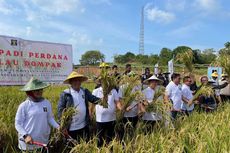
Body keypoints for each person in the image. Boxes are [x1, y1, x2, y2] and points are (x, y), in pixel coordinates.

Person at [15, 78, 59, 151]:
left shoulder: (46, 103)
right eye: (36, 90)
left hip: (43, 140)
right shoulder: (24, 105)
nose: (39, 91)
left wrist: (58, 127)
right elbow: (18, 124)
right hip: (28, 142)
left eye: (41, 89)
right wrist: (25, 136)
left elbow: (50, 118)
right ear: (30, 92)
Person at [57, 71, 100, 142]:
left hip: (84, 126)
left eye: (78, 80)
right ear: (70, 82)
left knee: (84, 145)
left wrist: (103, 99)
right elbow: (60, 111)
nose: (77, 82)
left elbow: (93, 99)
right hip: (71, 128)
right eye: (74, 80)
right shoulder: (66, 94)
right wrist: (62, 126)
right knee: (72, 147)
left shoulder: (84, 91)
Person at [92, 83, 122, 147]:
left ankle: (110, 150)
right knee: (100, 138)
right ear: (101, 81)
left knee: (110, 138)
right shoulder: (96, 91)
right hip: (100, 120)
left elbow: (117, 102)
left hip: (112, 119)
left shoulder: (113, 91)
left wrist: (121, 108)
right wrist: (90, 114)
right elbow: (92, 105)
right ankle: (99, 150)